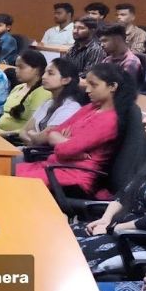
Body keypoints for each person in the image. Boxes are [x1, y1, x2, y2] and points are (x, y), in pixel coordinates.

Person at [15, 63, 133, 198]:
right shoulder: (91, 108)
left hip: (75, 178)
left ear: (112, 87)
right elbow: (52, 133)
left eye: (93, 85)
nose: (87, 90)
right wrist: (66, 141)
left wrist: (64, 142)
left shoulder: (110, 120)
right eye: (87, 84)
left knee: (15, 181)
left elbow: (65, 150)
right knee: (6, 170)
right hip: (55, 167)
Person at [73, 110, 146, 276]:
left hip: (140, 241)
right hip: (120, 229)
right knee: (60, 235)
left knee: (68, 258)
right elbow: (125, 194)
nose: (145, 119)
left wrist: (113, 228)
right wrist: (105, 219)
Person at [19, 57, 85, 147]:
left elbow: (45, 137)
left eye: (50, 73)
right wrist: (33, 139)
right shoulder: (48, 103)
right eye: (45, 72)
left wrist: (32, 134)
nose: (43, 76)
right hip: (32, 150)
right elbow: (23, 131)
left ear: (66, 80)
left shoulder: (72, 107)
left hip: (48, 153)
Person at [0, 49, 51, 138]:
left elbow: (32, 128)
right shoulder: (18, 88)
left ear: (37, 70)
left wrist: (1, 134)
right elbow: (5, 117)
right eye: (16, 67)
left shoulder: (42, 93)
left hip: (13, 139)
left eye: (21, 67)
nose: (16, 70)